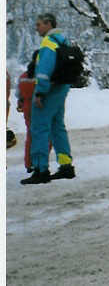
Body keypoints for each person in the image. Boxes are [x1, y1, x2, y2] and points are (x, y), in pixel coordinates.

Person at [21, 13, 76, 185]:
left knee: (39, 127)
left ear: (48, 24)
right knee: (57, 126)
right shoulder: (63, 41)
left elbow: (44, 71)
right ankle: (66, 166)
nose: (36, 28)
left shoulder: (48, 43)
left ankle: (40, 169)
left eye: (39, 24)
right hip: (61, 88)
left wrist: (40, 93)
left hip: (49, 90)